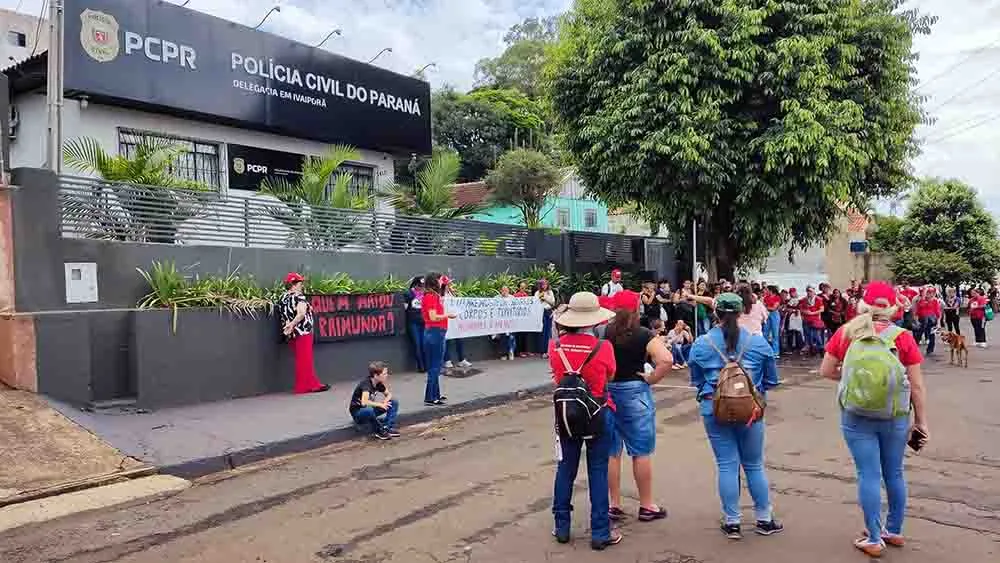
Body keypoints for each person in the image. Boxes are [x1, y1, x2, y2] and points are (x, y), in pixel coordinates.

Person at [819, 281, 928, 558]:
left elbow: (826, 370)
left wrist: (853, 379)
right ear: (893, 306)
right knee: (894, 473)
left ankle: (874, 537)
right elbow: (916, 386)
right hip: (895, 416)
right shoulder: (903, 337)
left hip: (856, 415)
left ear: (863, 304)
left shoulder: (847, 332)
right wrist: (921, 422)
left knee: (868, 474)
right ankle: (893, 530)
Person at [688, 292, 782, 540]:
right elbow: (772, 380)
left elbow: (696, 381)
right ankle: (764, 519)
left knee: (726, 464)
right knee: (753, 464)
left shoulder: (701, 344)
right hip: (750, 410)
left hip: (714, 408)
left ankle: (732, 522)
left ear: (715, 313)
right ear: (741, 313)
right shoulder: (758, 342)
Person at [548, 292, 622, 550]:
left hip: (566, 414)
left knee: (565, 468)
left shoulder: (555, 346)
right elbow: (610, 376)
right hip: (598, 412)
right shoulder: (604, 347)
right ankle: (601, 532)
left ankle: (561, 526)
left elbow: (556, 377)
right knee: (598, 470)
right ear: (593, 320)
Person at [606, 290, 673, 523]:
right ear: (635, 308)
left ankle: (613, 504)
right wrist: (652, 378)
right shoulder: (643, 334)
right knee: (640, 451)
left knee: (611, 452)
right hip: (635, 390)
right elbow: (666, 359)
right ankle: (646, 505)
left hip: (608, 392)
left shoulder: (603, 332)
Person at [279, 272, 331, 395]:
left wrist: (289, 326)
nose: (302, 285)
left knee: (301, 360)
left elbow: (286, 313)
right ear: (294, 284)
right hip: (303, 331)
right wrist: (292, 324)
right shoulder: (299, 297)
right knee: (305, 360)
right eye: (300, 282)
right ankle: (306, 386)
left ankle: (310, 384)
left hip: (291, 333)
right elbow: (301, 314)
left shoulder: (283, 297)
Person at [422, 273, 457, 406]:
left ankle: (434, 394)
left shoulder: (433, 296)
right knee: (435, 366)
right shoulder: (430, 297)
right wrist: (447, 315)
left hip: (436, 333)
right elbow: (433, 316)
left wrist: (446, 284)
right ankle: (431, 397)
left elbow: (445, 287)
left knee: (435, 365)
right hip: (435, 333)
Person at [349, 361, 400, 440]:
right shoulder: (366, 384)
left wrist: (385, 401)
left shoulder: (378, 383)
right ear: (376, 375)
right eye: (384, 374)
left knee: (393, 402)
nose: (386, 376)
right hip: (359, 413)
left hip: (371, 410)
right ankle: (379, 431)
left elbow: (389, 394)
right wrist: (380, 404)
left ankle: (387, 427)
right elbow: (364, 402)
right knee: (368, 410)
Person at [442, 278, 471, 369]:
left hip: (454, 321)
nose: (450, 285)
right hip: (446, 320)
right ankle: (447, 360)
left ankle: (461, 360)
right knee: (447, 340)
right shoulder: (440, 295)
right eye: (448, 284)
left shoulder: (451, 293)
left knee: (459, 340)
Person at [404, 276, 426, 372]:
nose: (421, 288)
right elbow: (404, 309)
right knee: (417, 344)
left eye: (423, 286)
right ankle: (421, 366)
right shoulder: (409, 294)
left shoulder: (425, 294)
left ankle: (426, 364)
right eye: (420, 286)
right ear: (415, 285)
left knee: (424, 344)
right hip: (413, 323)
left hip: (423, 322)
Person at [915, 287, 942, 355]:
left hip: (931, 320)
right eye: (928, 292)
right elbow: (917, 312)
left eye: (932, 292)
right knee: (918, 335)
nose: (930, 294)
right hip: (922, 320)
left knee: (931, 335)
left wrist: (938, 323)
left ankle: (930, 350)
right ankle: (914, 350)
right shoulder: (920, 300)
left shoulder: (935, 301)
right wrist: (916, 321)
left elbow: (938, 313)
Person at [800, 286, 826, 356]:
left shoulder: (818, 299)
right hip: (806, 320)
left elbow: (822, 309)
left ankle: (821, 349)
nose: (809, 293)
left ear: (814, 292)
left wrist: (812, 313)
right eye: (808, 291)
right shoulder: (804, 300)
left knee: (816, 335)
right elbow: (801, 309)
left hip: (815, 320)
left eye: (811, 291)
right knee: (808, 336)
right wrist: (805, 312)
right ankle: (812, 349)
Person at [536, 279, 557, 358]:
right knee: (542, 332)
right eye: (543, 284)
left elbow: (552, 303)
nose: (544, 286)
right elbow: (536, 303)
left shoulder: (550, 292)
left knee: (548, 332)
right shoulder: (537, 293)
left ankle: (548, 351)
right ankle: (542, 351)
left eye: (546, 284)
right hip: (540, 312)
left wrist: (546, 298)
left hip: (548, 312)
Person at [498, 286, 517, 360]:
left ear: (508, 291)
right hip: (501, 321)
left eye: (506, 290)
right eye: (503, 290)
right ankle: (504, 354)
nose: (504, 291)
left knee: (511, 337)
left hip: (510, 320)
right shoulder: (497, 298)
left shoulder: (512, 298)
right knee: (503, 337)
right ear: (500, 291)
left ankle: (511, 351)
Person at [763, 285, 782, 355]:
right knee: (765, 333)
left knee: (775, 334)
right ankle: (764, 351)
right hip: (767, 315)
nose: (766, 291)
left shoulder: (777, 297)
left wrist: (765, 307)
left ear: (771, 291)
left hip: (774, 315)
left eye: (767, 290)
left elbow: (774, 308)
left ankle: (776, 352)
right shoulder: (766, 297)